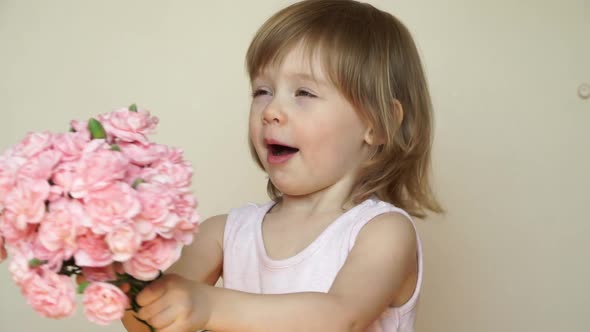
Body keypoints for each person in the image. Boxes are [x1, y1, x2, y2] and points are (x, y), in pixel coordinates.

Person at [125, 0, 443, 331]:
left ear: (377, 124)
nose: (271, 110)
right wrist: (116, 259)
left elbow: (341, 318)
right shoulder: (222, 235)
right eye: (263, 91)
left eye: (303, 92)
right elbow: (145, 320)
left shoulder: (382, 232)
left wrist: (208, 306)